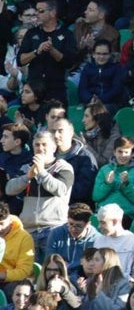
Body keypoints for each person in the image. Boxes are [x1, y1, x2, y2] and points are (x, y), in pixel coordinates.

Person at [5, 130, 73, 261]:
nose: (40, 148)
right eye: (37, 145)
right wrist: (27, 177)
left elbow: (60, 190)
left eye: (44, 145)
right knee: (30, 273)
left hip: (53, 228)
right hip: (29, 229)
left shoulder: (63, 167)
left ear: (53, 147)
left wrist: (42, 172)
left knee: (51, 270)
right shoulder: (26, 168)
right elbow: (9, 189)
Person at [17, 0, 77, 105]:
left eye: (41, 11)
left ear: (52, 13)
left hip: (56, 89)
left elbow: (70, 62)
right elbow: (20, 60)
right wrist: (36, 51)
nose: (36, 14)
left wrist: (52, 50)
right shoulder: (31, 33)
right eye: (36, 10)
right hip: (33, 89)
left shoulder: (67, 34)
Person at [50, 117, 98, 205]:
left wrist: (55, 191)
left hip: (74, 207)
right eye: (54, 131)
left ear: (71, 133)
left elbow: (83, 190)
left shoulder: (85, 157)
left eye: (60, 131)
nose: (56, 135)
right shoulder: (49, 155)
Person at [45, 203, 98, 279]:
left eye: (79, 226)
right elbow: (51, 260)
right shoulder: (56, 233)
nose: (73, 229)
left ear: (88, 224)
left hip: (83, 278)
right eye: (70, 224)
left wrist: (65, 264)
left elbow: (91, 266)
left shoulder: (96, 239)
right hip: (59, 276)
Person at [0, 201, 35, 295]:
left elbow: (24, 271)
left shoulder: (24, 238)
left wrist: (3, 275)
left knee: (13, 289)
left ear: (10, 220)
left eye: (2, 224)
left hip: (11, 281)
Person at [94, 204, 134, 275]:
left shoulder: (132, 240)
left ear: (114, 221)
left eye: (103, 223)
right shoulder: (99, 240)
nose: (99, 226)